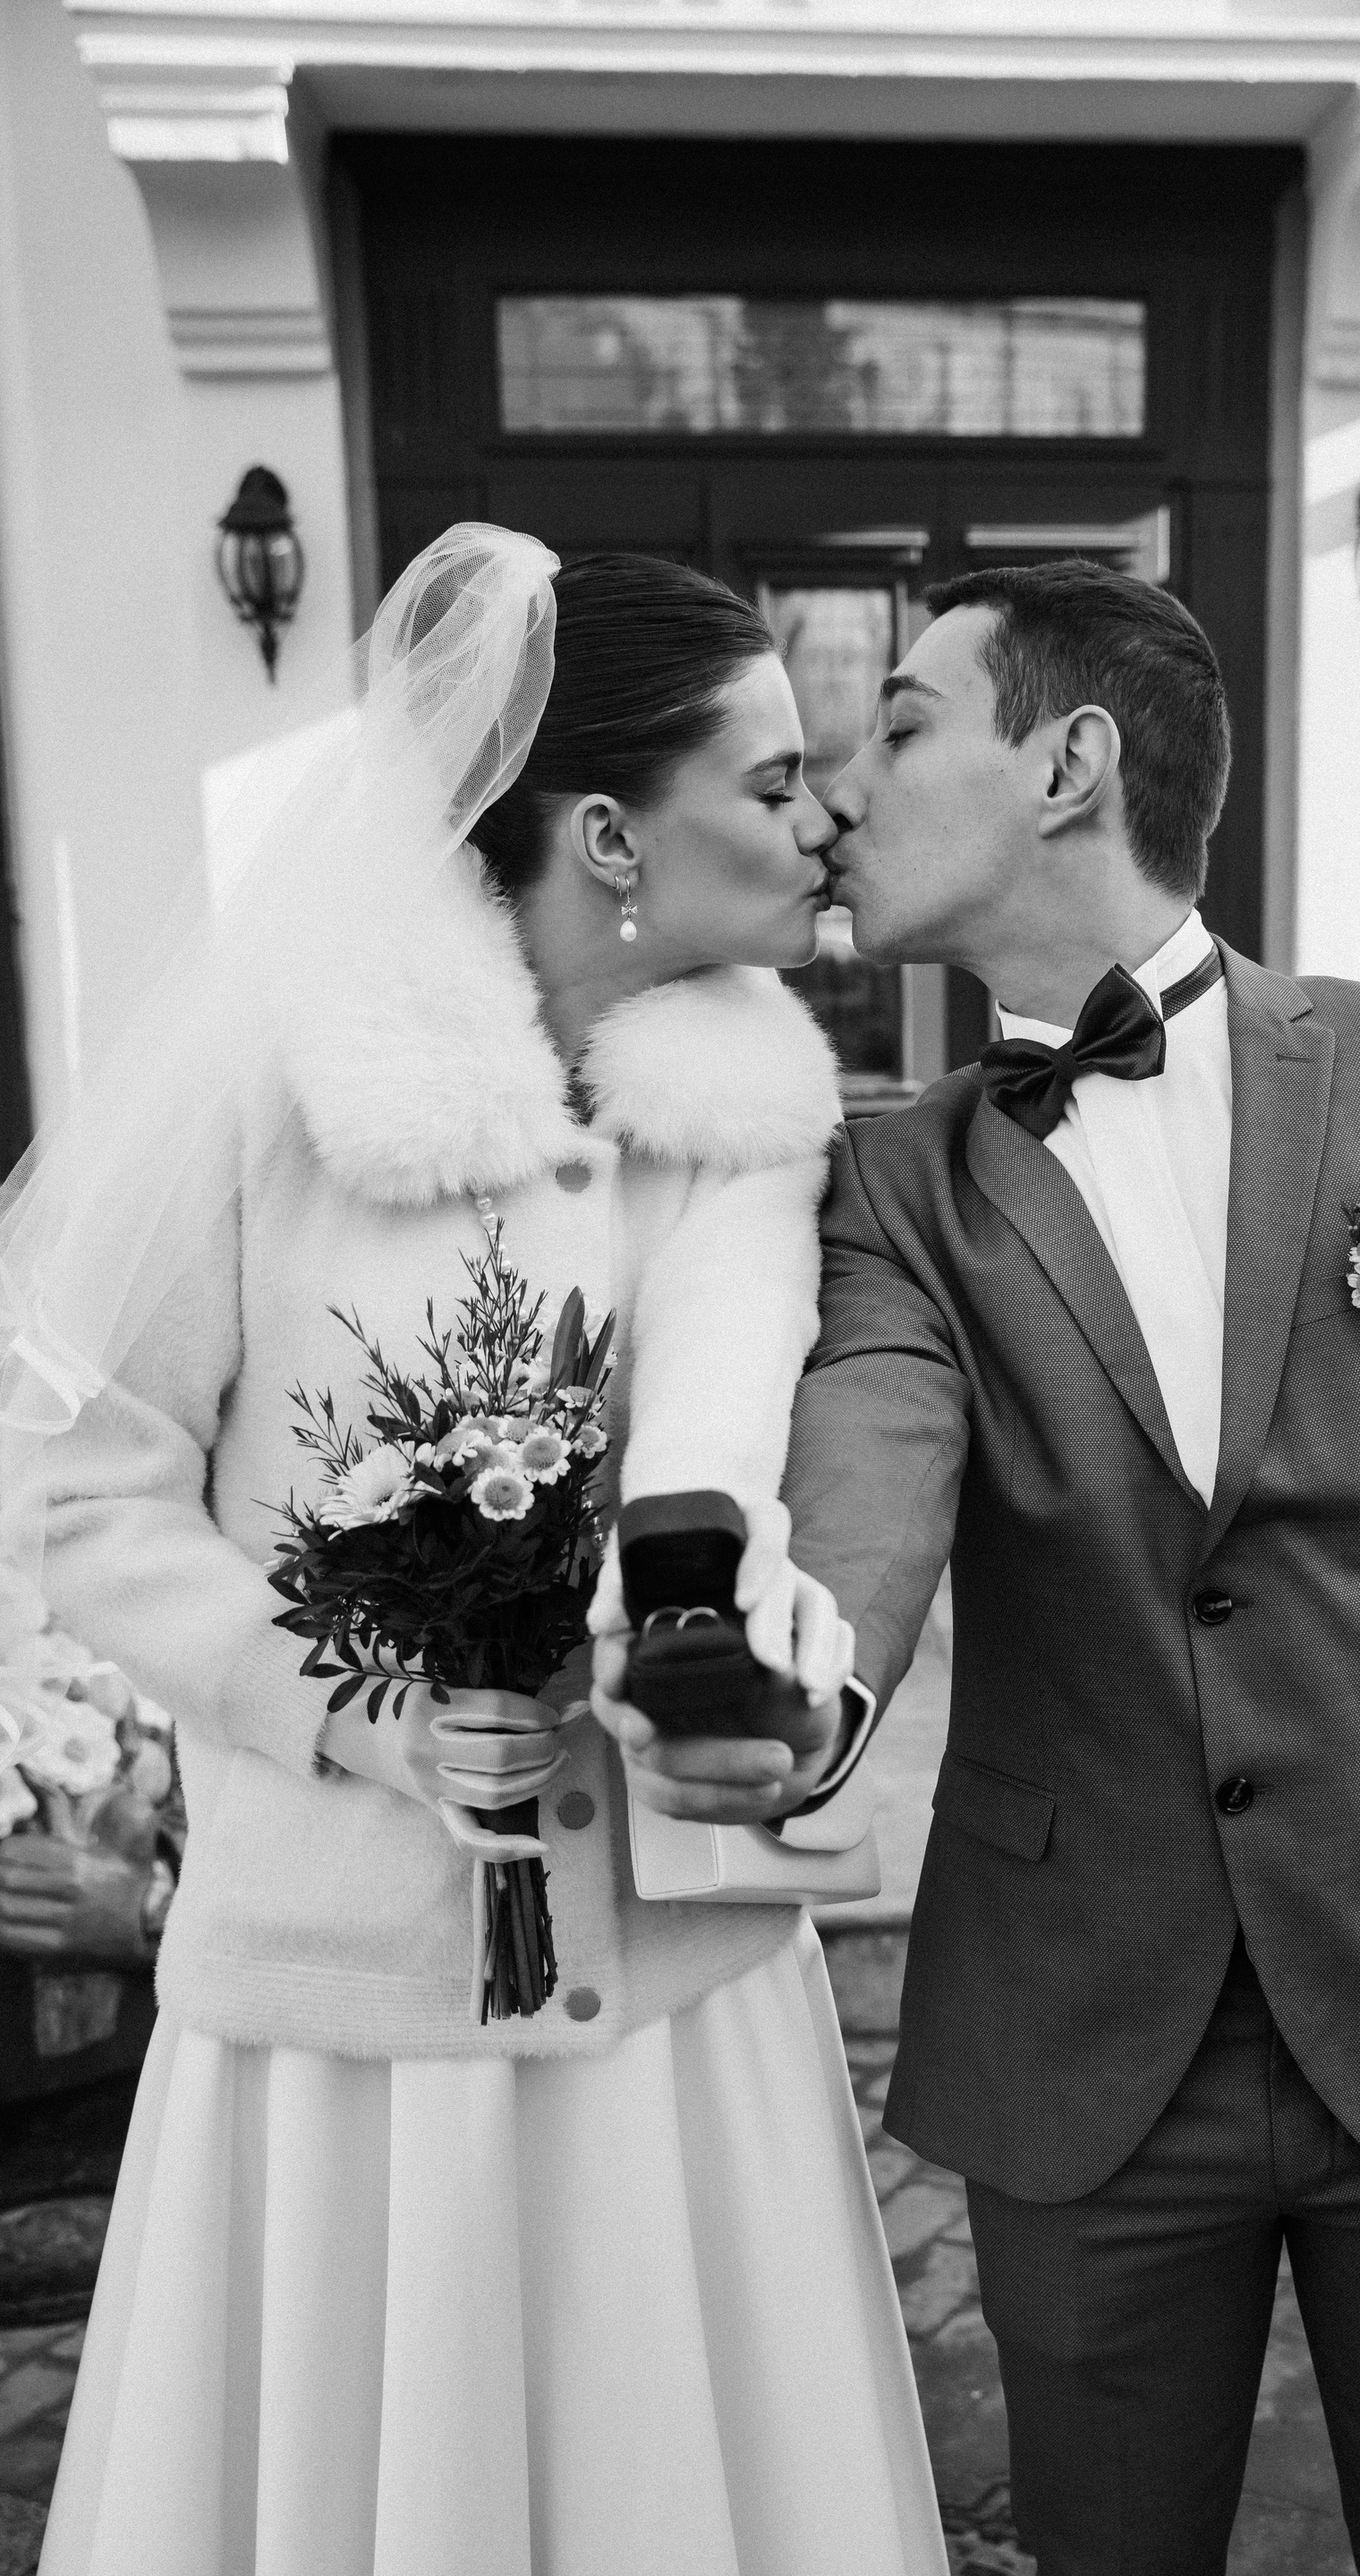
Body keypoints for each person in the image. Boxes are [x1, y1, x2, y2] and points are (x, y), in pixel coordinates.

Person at [595, 558, 1360, 2576]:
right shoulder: (892, 1179)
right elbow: (870, 1479)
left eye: (902, 724)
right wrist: (793, 1697)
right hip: (1080, 2048)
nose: (839, 793)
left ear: (1071, 765)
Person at [11, 532, 946, 2576]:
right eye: (773, 778)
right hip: (347, 2012)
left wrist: (723, 1629)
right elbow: (82, 1492)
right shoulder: (280, 1087)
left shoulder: (750, 1116)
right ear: (610, 833)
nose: (823, 819)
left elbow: (719, 1447)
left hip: (678, 2001)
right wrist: (374, 1713)